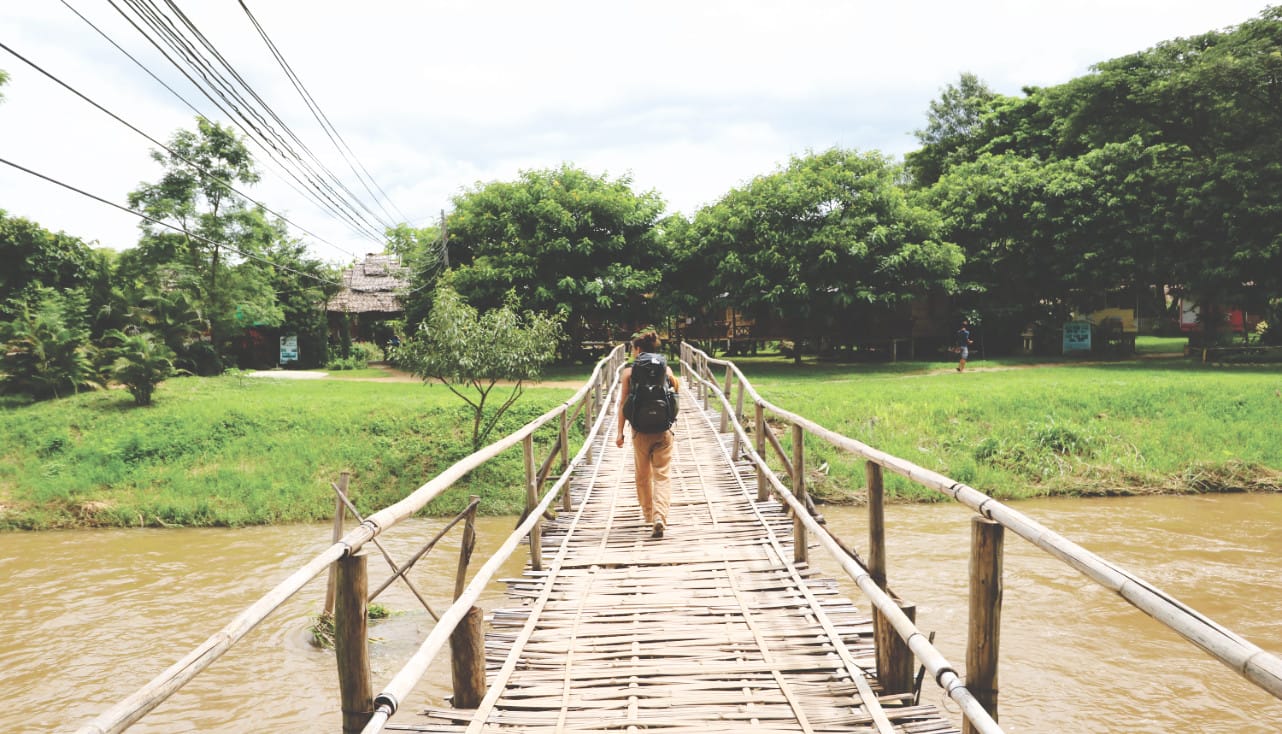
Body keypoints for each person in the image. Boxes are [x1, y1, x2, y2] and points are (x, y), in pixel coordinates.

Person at [615, 329, 680, 538]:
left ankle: (649, 514)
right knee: (662, 475)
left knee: (643, 476)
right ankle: (660, 515)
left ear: (638, 349)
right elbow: (675, 397)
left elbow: (623, 404)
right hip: (663, 430)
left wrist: (619, 433)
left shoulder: (628, 373)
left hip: (640, 432)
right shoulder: (667, 371)